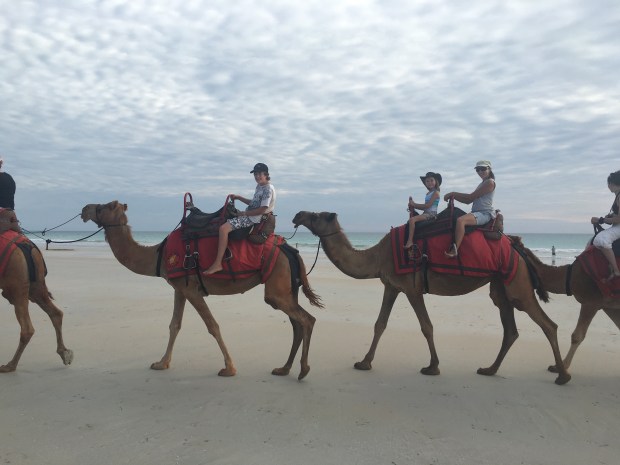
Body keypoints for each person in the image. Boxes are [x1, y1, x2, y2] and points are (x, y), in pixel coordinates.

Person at [203, 162, 276, 275]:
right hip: (251, 215)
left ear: (266, 174)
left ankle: (217, 264)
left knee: (223, 229)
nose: (257, 176)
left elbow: (262, 209)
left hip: (253, 218)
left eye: (259, 174)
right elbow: (254, 203)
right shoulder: (259, 186)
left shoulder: (268, 189)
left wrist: (244, 213)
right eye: (255, 174)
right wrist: (239, 197)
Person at [442, 160, 496, 258]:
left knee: (461, 221)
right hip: (477, 212)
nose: (480, 171)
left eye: (483, 169)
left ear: (489, 169)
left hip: (484, 213)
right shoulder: (483, 183)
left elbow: (470, 197)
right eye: (477, 170)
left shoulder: (490, 182)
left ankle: (454, 250)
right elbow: (467, 201)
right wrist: (453, 196)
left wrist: (452, 193)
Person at [590, 170, 620, 282]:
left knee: (601, 240)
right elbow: (614, 218)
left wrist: (601, 220)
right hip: (616, 227)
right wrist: (606, 218)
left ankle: (616, 271)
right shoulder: (617, 196)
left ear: (613, 183)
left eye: (609, 183)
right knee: (593, 241)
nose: (608, 186)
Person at [404, 172, 441, 249]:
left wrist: (414, 204)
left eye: (431, 180)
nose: (429, 182)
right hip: (426, 213)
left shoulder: (436, 193)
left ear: (435, 181)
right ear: (425, 183)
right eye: (427, 181)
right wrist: (413, 206)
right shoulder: (428, 193)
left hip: (431, 214)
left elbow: (427, 206)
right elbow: (424, 207)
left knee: (412, 220)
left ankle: (410, 241)